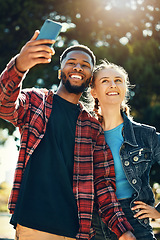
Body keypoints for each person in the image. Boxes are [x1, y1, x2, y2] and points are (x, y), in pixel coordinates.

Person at [0, 31, 136, 240]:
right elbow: (5, 105)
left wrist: (123, 230)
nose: (78, 67)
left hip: (77, 232)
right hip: (34, 226)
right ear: (60, 71)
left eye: (85, 65)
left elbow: (103, 185)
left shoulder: (93, 128)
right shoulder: (36, 102)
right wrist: (18, 66)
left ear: (90, 79)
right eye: (71, 62)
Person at [90, 59, 160, 240]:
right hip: (93, 224)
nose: (113, 84)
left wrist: (158, 212)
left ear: (125, 90)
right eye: (105, 80)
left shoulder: (145, 135)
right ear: (94, 92)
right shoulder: (84, 135)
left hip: (135, 221)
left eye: (118, 80)